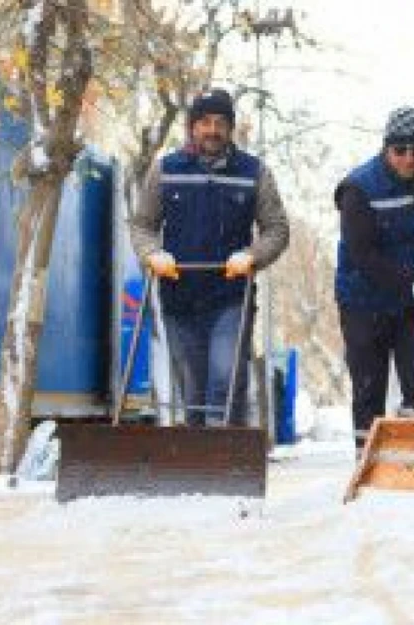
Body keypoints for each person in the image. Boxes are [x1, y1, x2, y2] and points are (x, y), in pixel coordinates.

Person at [129, 88, 289, 426]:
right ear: (192, 127)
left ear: (230, 128)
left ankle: (224, 461)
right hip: (179, 296)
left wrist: (251, 256)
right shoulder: (165, 170)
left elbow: (276, 229)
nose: (212, 130)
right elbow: (142, 226)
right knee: (193, 389)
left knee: (224, 377)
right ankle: (198, 466)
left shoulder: (253, 172)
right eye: (204, 122)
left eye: (220, 123)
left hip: (230, 296)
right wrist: (152, 255)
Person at [334, 106, 414, 448]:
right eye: (400, 151)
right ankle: (367, 457)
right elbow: (364, 255)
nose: (410, 159)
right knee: (369, 386)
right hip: (364, 300)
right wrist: (412, 284)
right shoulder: (358, 188)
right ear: (386, 147)